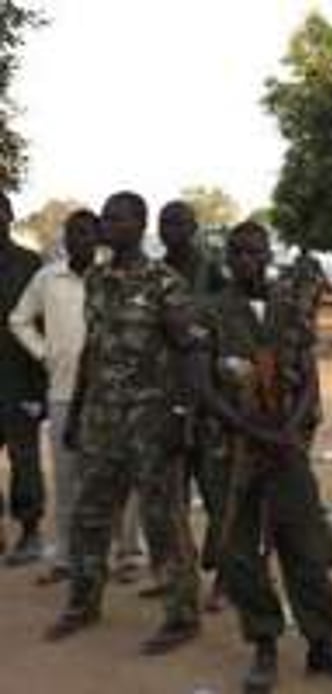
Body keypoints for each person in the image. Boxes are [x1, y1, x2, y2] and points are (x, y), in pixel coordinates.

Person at [188, 220, 332, 692]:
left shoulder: (287, 306)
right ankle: (264, 645)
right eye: (239, 252)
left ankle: (322, 644)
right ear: (227, 259)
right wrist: (249, 428)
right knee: (241, 555)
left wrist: (291, 427)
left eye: (256, 251)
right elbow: (200, 385)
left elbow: (308, 373)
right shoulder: (208, 311)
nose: (248, 260)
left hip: (285, 448)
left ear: (268, 255)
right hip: (229, 453)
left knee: (307, 547)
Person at [45, 191, 201, 654]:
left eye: (117, 219)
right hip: (100, 420)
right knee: (89, 516)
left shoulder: (164, 282)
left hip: (151, 424)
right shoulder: (96, 278)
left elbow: (191, 350)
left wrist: (179, 416)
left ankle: (181, 615)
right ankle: (82, 603)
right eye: (106, 218)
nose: (107, 226)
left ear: (139, 224)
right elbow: (93, 349)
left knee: (163, 522)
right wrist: (75, 412)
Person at [8, 209, 98, 583]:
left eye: (89, 234)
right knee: (66, 480)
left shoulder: (113, 278)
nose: (82, 241)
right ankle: (65, 556)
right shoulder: (47, 277)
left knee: (116, 479)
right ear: (65, 238)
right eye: (74, 234)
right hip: (62, 391)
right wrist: (46, 353)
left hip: (111, 396)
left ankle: (126, 553)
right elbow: (19, 319)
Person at [158, 199, 227, 606]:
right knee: (172, 498)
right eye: (166, 223)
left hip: (208, 400)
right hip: (166, 399)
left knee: (217, 494)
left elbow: (225, 327)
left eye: (179, 222)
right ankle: (181, 578)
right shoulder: (153, 274)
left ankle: (224, 577)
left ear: (194, 227)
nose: (171, 229)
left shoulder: (212, 274)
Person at [0, 190, 49, 567]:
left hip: (19, 379)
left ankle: (30, 532)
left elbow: (42, 326)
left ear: (9, 215)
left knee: (25, 459)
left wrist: (40, 390)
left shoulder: (30, 264)